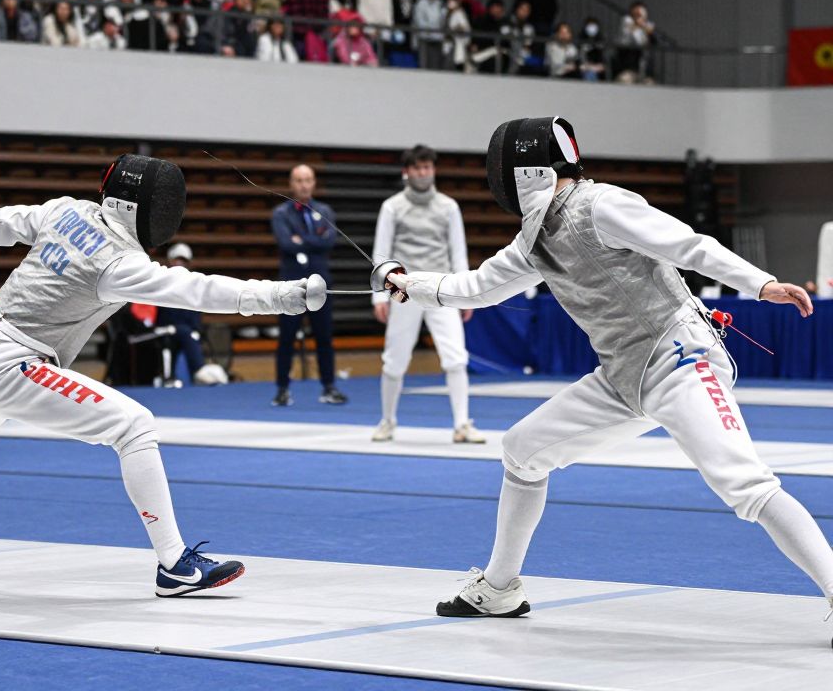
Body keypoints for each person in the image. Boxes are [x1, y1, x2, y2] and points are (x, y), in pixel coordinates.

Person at [383, 118, 833, 639]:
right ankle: (501, 587)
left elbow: (687, 245)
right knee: (523, 449)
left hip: (680, 357)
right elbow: (477, 287)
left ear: (522, 170)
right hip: (623, 376)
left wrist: (761, 285)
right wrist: (406, 282)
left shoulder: (601, 206)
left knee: (745, 485)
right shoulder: (536, 239)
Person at [0, 154, 322, 598]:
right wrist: (281, 296)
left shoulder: (66, 211)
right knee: (134, 425)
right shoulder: (119, 263)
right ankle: (175, 566)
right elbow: (200, 291)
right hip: (13, 362)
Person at [371, 145, 479, 444]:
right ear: (408, 171)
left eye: (427, 167)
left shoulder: (448, 207)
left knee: (456, 358)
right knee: (394, 359)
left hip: (442, 290)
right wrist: (379, 296)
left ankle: (462, 425)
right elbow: (381, 253)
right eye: (418, 168)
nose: (423, 172)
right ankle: (387, 421)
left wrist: (465, 295)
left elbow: (458, 252)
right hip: (403, 291)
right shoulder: (393, 206)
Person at [271, 164, 346, 407]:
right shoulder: (281, 213)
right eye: (299, 180)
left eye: (308, 180)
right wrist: (313, 241)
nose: (304, 185)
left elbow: (328, 242)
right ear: (291, 184)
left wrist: (301, 240)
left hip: (320, 284)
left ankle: (329, 386)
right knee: (287, 338)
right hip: (291, 284)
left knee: (324, 337)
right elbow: (286, 244)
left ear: (314, 183)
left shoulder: (325, 211)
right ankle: (282, 389)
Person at [154, 242, 208, 382]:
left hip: (185, 332)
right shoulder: (159, 282)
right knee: (185, 332)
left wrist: (196, 330)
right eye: (177, 259)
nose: (179, 263)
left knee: (188, 333)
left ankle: (196, 374)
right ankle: (199, 370)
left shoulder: (194, 285)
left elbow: (196, 314)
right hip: (163, 329)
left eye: (183, 260)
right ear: (170, 261)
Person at [614, 0, 655, 84]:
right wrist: (638, 25)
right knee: (624, 80)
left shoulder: (648, 27)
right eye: (637, 14)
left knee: (650, 84)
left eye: (642, 14)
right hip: (629, 69)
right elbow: (626, 38)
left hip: (644, 71)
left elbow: (656, 42)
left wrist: (649, 31)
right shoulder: (627, 22)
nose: (639, 17)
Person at [412, 0, 445, 70]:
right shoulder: (421, 3)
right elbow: (421, 25)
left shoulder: (442, 4)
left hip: (439, 42)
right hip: (424, 42)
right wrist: (436, 29)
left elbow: (444, 24)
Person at [470, 0, 508, 74]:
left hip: (500, 58)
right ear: (490, 8)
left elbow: (506, 42)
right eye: (495, 7)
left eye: (499, 7)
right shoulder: (481, 21)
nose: (497, 10)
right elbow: (476, 39)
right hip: (482, 55)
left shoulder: (505, 23)